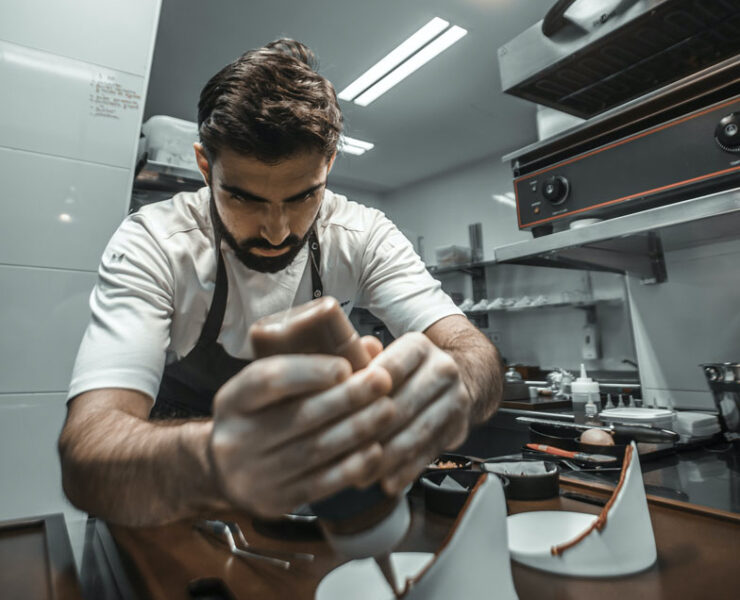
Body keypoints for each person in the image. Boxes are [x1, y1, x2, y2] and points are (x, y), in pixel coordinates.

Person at [58, 39, 503, 526]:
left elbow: (472, 351)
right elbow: (88, 454)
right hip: (164, 505)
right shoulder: (156, 240)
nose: (277, 230)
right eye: (244, 199)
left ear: (329, 164)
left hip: (298, 509)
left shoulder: (363, 235)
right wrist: (218, 458)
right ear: (205, 167)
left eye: (302, 197)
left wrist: (447, 391)